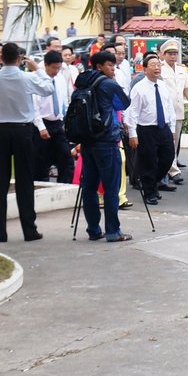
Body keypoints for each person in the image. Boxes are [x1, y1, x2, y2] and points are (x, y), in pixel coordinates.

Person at [0, 42, 52, 242]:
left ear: (2, 57)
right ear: (19, 59)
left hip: (1, 130)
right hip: (22, 131)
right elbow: (48, 89)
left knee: (0, 182)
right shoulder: (26, 77)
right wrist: (37, 70)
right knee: (24, 180)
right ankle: (29, 229)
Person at [75, 50, 132, 242]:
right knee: (111, 188)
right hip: (106, 141)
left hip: (87, 141)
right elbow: (124, 103)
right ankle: (113, 231)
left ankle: (93, 229)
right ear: (99, 66)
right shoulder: (108, 83)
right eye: (110, 65)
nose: (113, 69)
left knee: (89, 187)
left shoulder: (82, 81)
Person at [123, 53, 177, 205]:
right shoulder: (139, 88)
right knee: (148, 162)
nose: (157, 67)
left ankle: (153, 183)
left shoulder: (163, 85)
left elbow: (169, 107)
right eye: (152, 65)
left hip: (163, 128)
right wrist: (133, 134)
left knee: (167, 158)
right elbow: (132, 112)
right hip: (146, 129)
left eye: (158, 65)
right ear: (144, 69)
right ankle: (149, 192)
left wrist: (171, 128)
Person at [33, 50, 73, 183]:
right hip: (42, 123)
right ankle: (41, 187)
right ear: (45, 65)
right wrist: (41, 127)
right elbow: (34, 106)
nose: (56, 71)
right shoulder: (37, 79)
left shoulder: (60, 78)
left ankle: (64, 186)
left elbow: (63, 100)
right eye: (53, 68)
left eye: (58, 68)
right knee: (41, 161)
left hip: (58, 122)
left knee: (66, 159)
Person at [158, 40, 188, 180]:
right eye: (169, 53)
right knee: (167, 141)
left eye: (175, 53)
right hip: (164, 111)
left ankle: (171, 167)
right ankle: (173, 170)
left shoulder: (182, 69)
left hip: (178, 110)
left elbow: (186, 89)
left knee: (175, 141)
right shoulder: (159, 68)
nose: (172, 56)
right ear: (163, 55)